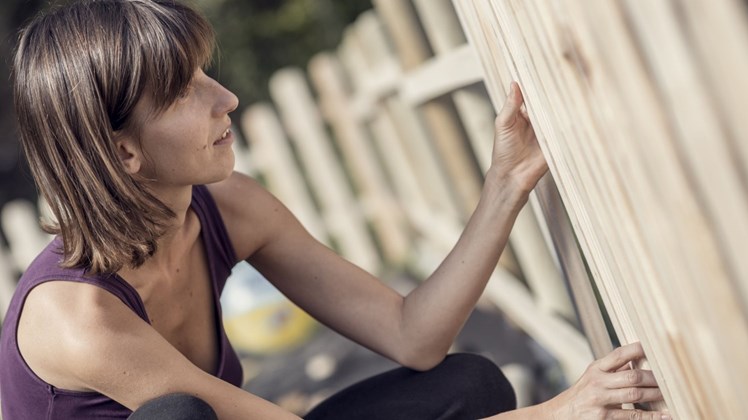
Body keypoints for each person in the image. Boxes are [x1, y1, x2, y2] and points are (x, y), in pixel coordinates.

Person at [0, 0, 670, 419]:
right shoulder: (78, 319)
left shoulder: (229, 207)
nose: (226, 99)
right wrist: (561, 412)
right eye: (184, 94)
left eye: (207, 74)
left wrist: (509, 179)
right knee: (175, 419)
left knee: (468, 384)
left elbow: (412, 333)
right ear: (121, 154)